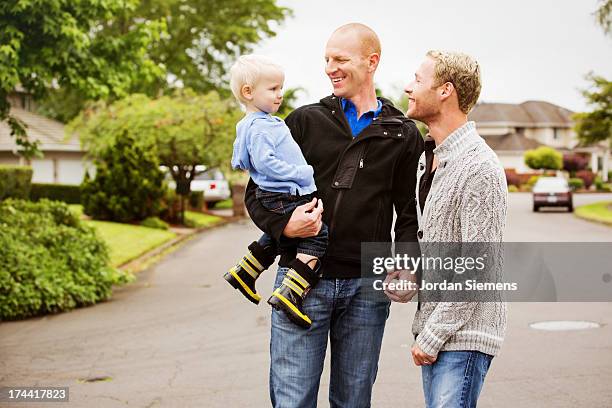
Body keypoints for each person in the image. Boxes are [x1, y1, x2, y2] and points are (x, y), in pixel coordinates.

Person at [244, 23, 424, 407]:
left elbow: (408, 212)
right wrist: (283, 224)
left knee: (353, 401)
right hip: (301, 281)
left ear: (371, 61)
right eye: (327, 59)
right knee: (293, 400)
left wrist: (407, 266)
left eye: (340, 59)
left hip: (366, 288)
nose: (330, 68)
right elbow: (256, 192)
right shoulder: (304, 121)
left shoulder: (401, 132)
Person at [388, 50, 508, 408]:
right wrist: (413, 276)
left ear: (446, 91)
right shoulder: (431, 159)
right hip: (439, 332)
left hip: (464, 335)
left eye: (418, 80)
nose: (408, 88)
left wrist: (433, 334)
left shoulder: (479, 166)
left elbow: (478, 268)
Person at [224, 54, 329, 329]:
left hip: (277, 191)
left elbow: (241, 158)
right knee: (318, 234)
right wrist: (300, 172)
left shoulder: (250, 123)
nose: (279, 95)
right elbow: (264, 162)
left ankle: (245, 272)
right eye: (272, 89)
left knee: (281, 234)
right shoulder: (261, 127)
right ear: (248, 92)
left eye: (280, 88)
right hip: (283, 190)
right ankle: (290, 293)